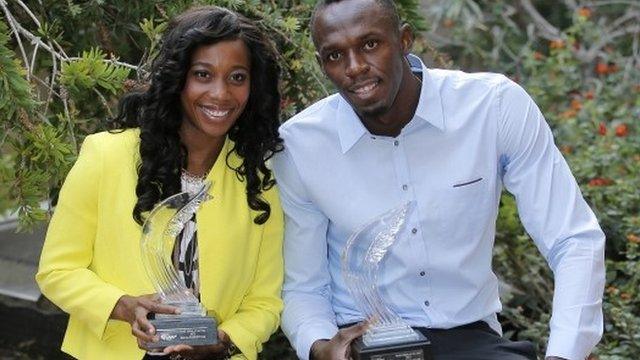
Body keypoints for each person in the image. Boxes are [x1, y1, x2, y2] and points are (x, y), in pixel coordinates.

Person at [272, 0, 605, 359]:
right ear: (323, 65)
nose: (355, 67)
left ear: (404, 40)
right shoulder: (300, 145)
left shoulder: (492, 107)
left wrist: (565, 353)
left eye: (370, 44)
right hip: (361, 341)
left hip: (470, 338)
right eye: (335, 55)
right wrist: (321, 348)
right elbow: (304, 286)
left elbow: (572, 238)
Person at [36, 6, 284, 360]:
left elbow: (265, 301)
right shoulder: (106, 156)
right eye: (203, 74)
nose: (220, 93)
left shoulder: (259, 179)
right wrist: (122, 306)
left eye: (237, 77)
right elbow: (58, 270)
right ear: (177, 78)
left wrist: (223, 340)